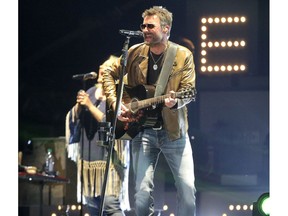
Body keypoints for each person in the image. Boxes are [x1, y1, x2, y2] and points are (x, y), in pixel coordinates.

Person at [102, 6, 197, 216]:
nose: (145, 29)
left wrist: (177, 102)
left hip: (174, 133)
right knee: (142, 195)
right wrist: (115, 104)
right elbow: (108, 70)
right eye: (143, 25)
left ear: (166, 28)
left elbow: (189, 92)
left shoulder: (182, 55)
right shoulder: (135, 52)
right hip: (142, 131)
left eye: (150, 26)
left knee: (188, 192)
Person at [65, 55, 130, 216]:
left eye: (107, 66)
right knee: (93, 207)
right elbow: (74, 118)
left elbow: (110, 122)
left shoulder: (118, 96)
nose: (101, 68)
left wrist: (88, 105)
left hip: (110, 160)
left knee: (110, 205)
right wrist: (80, 107)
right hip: (89, 161)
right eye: (101, 65)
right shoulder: (91, 92)